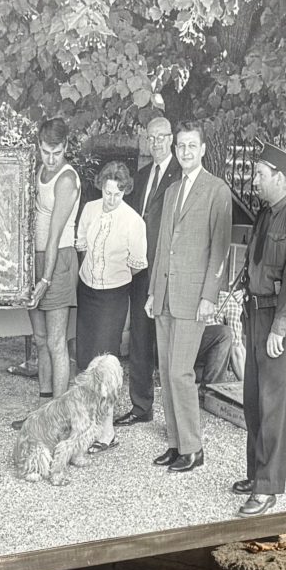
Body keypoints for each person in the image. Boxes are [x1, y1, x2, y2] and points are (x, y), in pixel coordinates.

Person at [144, 123, 232, 475]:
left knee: (181, 372)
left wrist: (210, 296)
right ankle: (175, 443)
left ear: (203, 148)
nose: (185, 151)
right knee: (166, 371)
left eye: (191, 146)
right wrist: (152, 291)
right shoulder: (171, 192)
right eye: (180, 146)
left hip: (194, 297)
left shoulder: (217, 190)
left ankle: (193, 448)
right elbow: (163, 246)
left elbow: (220, 249)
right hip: (165, 293)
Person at [235, 146, 286, 515]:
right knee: (253, 400)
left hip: (278, 319)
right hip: (255, 315)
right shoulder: (266, 214)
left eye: (259, 174)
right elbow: (257, 264)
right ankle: (255, 473)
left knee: (273, 406)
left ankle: (267, 489)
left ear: (280, 177)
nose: (254, 180)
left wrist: (280, 328)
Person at [122, 110, 178, 424]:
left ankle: (173, 416)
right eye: (151, 138)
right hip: (141, 269)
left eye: (161, 137)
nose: (156, 143)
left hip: (167, 270)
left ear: (171, 139)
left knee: (167, 342)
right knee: (140, 338)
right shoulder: (141, 176)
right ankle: (141, 407)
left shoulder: (181, 175)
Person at [24, 117, 81, 398]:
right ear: (39, 145)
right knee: (41, 339)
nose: (50, 158)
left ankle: (59, 416)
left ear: (65, 146)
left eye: (56, 152)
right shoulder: (39, 171)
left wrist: (45, 279)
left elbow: (55, 237)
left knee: (57, 342)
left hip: (57, 262)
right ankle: (44, 410)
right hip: (36, 261)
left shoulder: (67, 178)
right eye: (45, 151)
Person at [72, 159, 148, 373]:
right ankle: (84, 403)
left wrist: (113, 275)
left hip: (113, 297)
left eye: (117, 194)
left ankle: (104, 404)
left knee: (104, 358)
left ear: (125, 191)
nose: (112, 199)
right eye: (108, 192)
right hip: (87, 291)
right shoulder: (89, 209)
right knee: (85, 353)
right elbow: (83, 247)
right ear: (101, 186)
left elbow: (137, 265)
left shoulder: (134, 222)